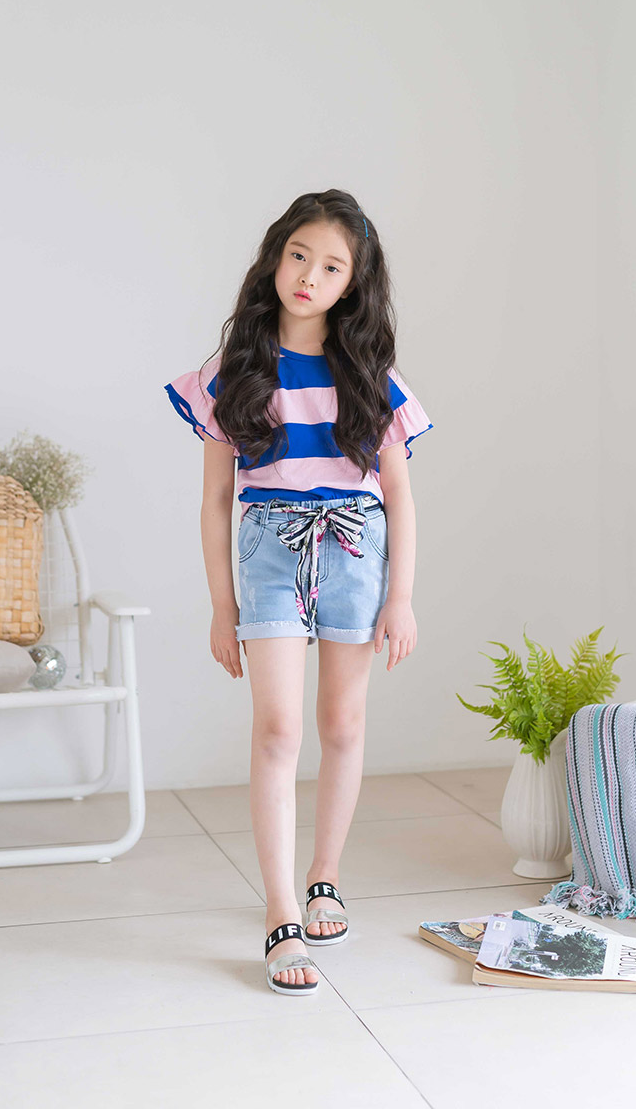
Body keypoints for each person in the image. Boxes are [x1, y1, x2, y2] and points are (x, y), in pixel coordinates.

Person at [163, 189, 434, 995]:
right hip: (269, 551)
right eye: (298, 255)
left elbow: (399, 496)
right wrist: (222, 606)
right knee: (279, 728)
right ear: (275, 257)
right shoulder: (232, 374)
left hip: (356, 550)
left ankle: (325, 877)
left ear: (354, 283)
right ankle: (281, 912)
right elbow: (216, 500)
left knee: (341, 724)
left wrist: (401, 597)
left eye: (331, 266)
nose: (309, 276)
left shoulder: (371, 376)